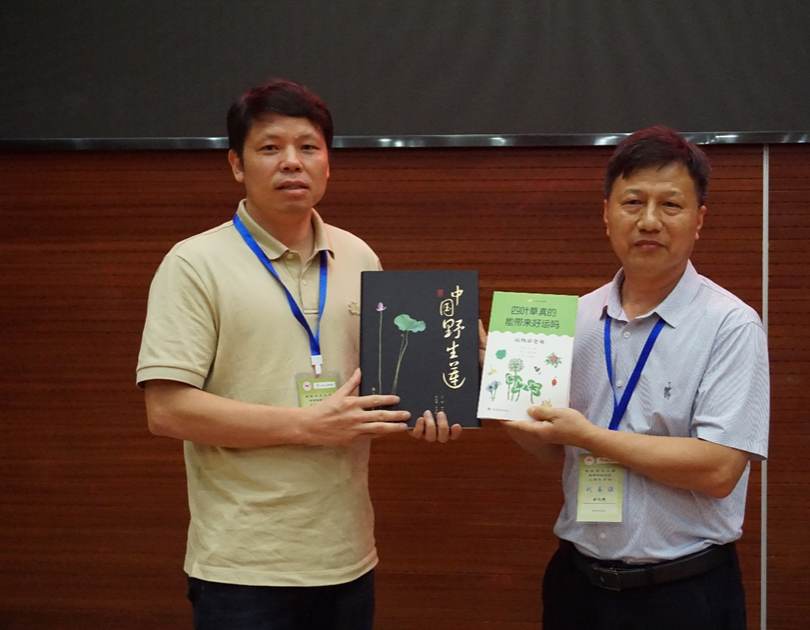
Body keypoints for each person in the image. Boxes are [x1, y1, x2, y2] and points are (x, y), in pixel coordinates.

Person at [136, 78, 459, 630]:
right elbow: (167, 411)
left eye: (308, 147)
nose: (292, 161)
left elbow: (385, 384)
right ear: (236, 165)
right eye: (270, 147)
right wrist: (307, 425)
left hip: (347, 556)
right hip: (243, 566)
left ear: (328, 164)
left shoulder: (358, 255)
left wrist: (438, 398)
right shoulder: (194, 264)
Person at [503, 126, 769, 630]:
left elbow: (719, 470)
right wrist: (499, 390)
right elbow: (549, 448)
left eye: (670, 204)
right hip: (577, 584)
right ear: (607, 214)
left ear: (698, 220)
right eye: (632, 202)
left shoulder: (731, 325)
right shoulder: (575, 319)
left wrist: (590, 436)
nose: (649, 220)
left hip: (682, 593)